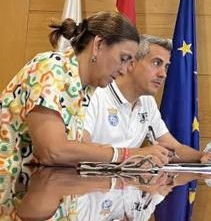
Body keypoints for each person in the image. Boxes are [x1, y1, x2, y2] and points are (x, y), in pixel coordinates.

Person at [0, 11, 173, 173]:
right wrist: (127, 154)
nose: (123, 70)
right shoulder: (51, 67)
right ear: (98, 45)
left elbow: (81, 150)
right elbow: (52, 151)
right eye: (123, 59)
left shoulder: (87, 87)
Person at [84, 34, 211, 166]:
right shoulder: (97, 95)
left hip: (125, 189)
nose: (163, 74)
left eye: (166, 67)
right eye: (157, 63)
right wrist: (137, 154)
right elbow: (81, 148)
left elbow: (173, 148)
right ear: (132, 63)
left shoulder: (147, 102)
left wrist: (203, 156)